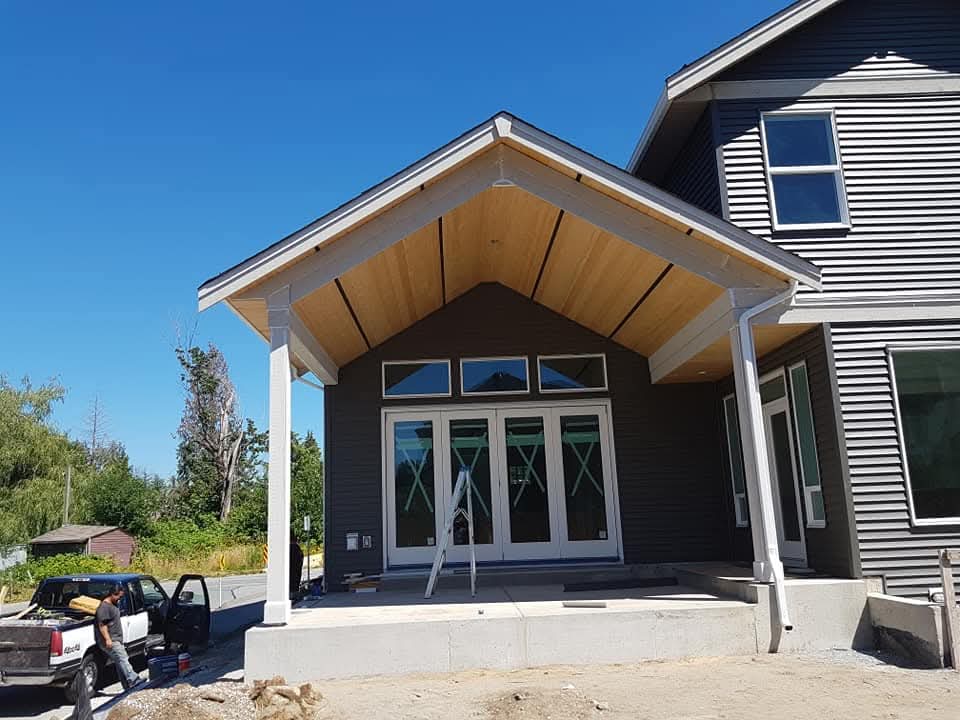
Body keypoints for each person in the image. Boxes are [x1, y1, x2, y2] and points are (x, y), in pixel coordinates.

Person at [94, 583, 141, 690]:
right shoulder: (104, 607)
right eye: (119, 596)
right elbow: (102, 625)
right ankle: (133, 679)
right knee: (123, 658)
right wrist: (108, 639)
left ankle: (127, 686)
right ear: (112, 594)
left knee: (119, 662)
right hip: (111, 640)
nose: (120, 599)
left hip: (116, 639)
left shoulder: (113, 605)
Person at [289, 531, 304, 598]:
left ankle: (292, 593)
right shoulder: (296, 548)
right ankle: (294, 593)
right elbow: (301, 557)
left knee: (291, 578)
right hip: (296, 568)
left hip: (291, 567)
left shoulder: (287, 548)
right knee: (295, 578)